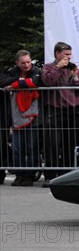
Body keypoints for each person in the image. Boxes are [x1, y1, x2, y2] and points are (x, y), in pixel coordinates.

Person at [41, 41, 79, 186]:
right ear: (57, 54)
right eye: (66, 54)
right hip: (55, 109)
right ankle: (50, 175)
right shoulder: (48, 67)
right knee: (53, 144)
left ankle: (66, 175)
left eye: (70, 54)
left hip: (72, 110)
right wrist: (57, 68)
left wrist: (74, 77)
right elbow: (47, 81)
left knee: (71, 143)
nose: (69, 57)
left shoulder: (73, 68)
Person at [0, 50, 42, 186]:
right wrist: (21, 81)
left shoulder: (36, 70)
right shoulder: (11, 71)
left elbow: (35, 82)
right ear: (17, 63)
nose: (26, 65)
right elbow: (2, 81)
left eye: (28, 62)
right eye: (23, 63)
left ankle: (30, 175)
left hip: (33, 116)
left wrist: (14, 85)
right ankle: (19, 175)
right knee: (17, 148)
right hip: (16, 116)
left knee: (31, 148)